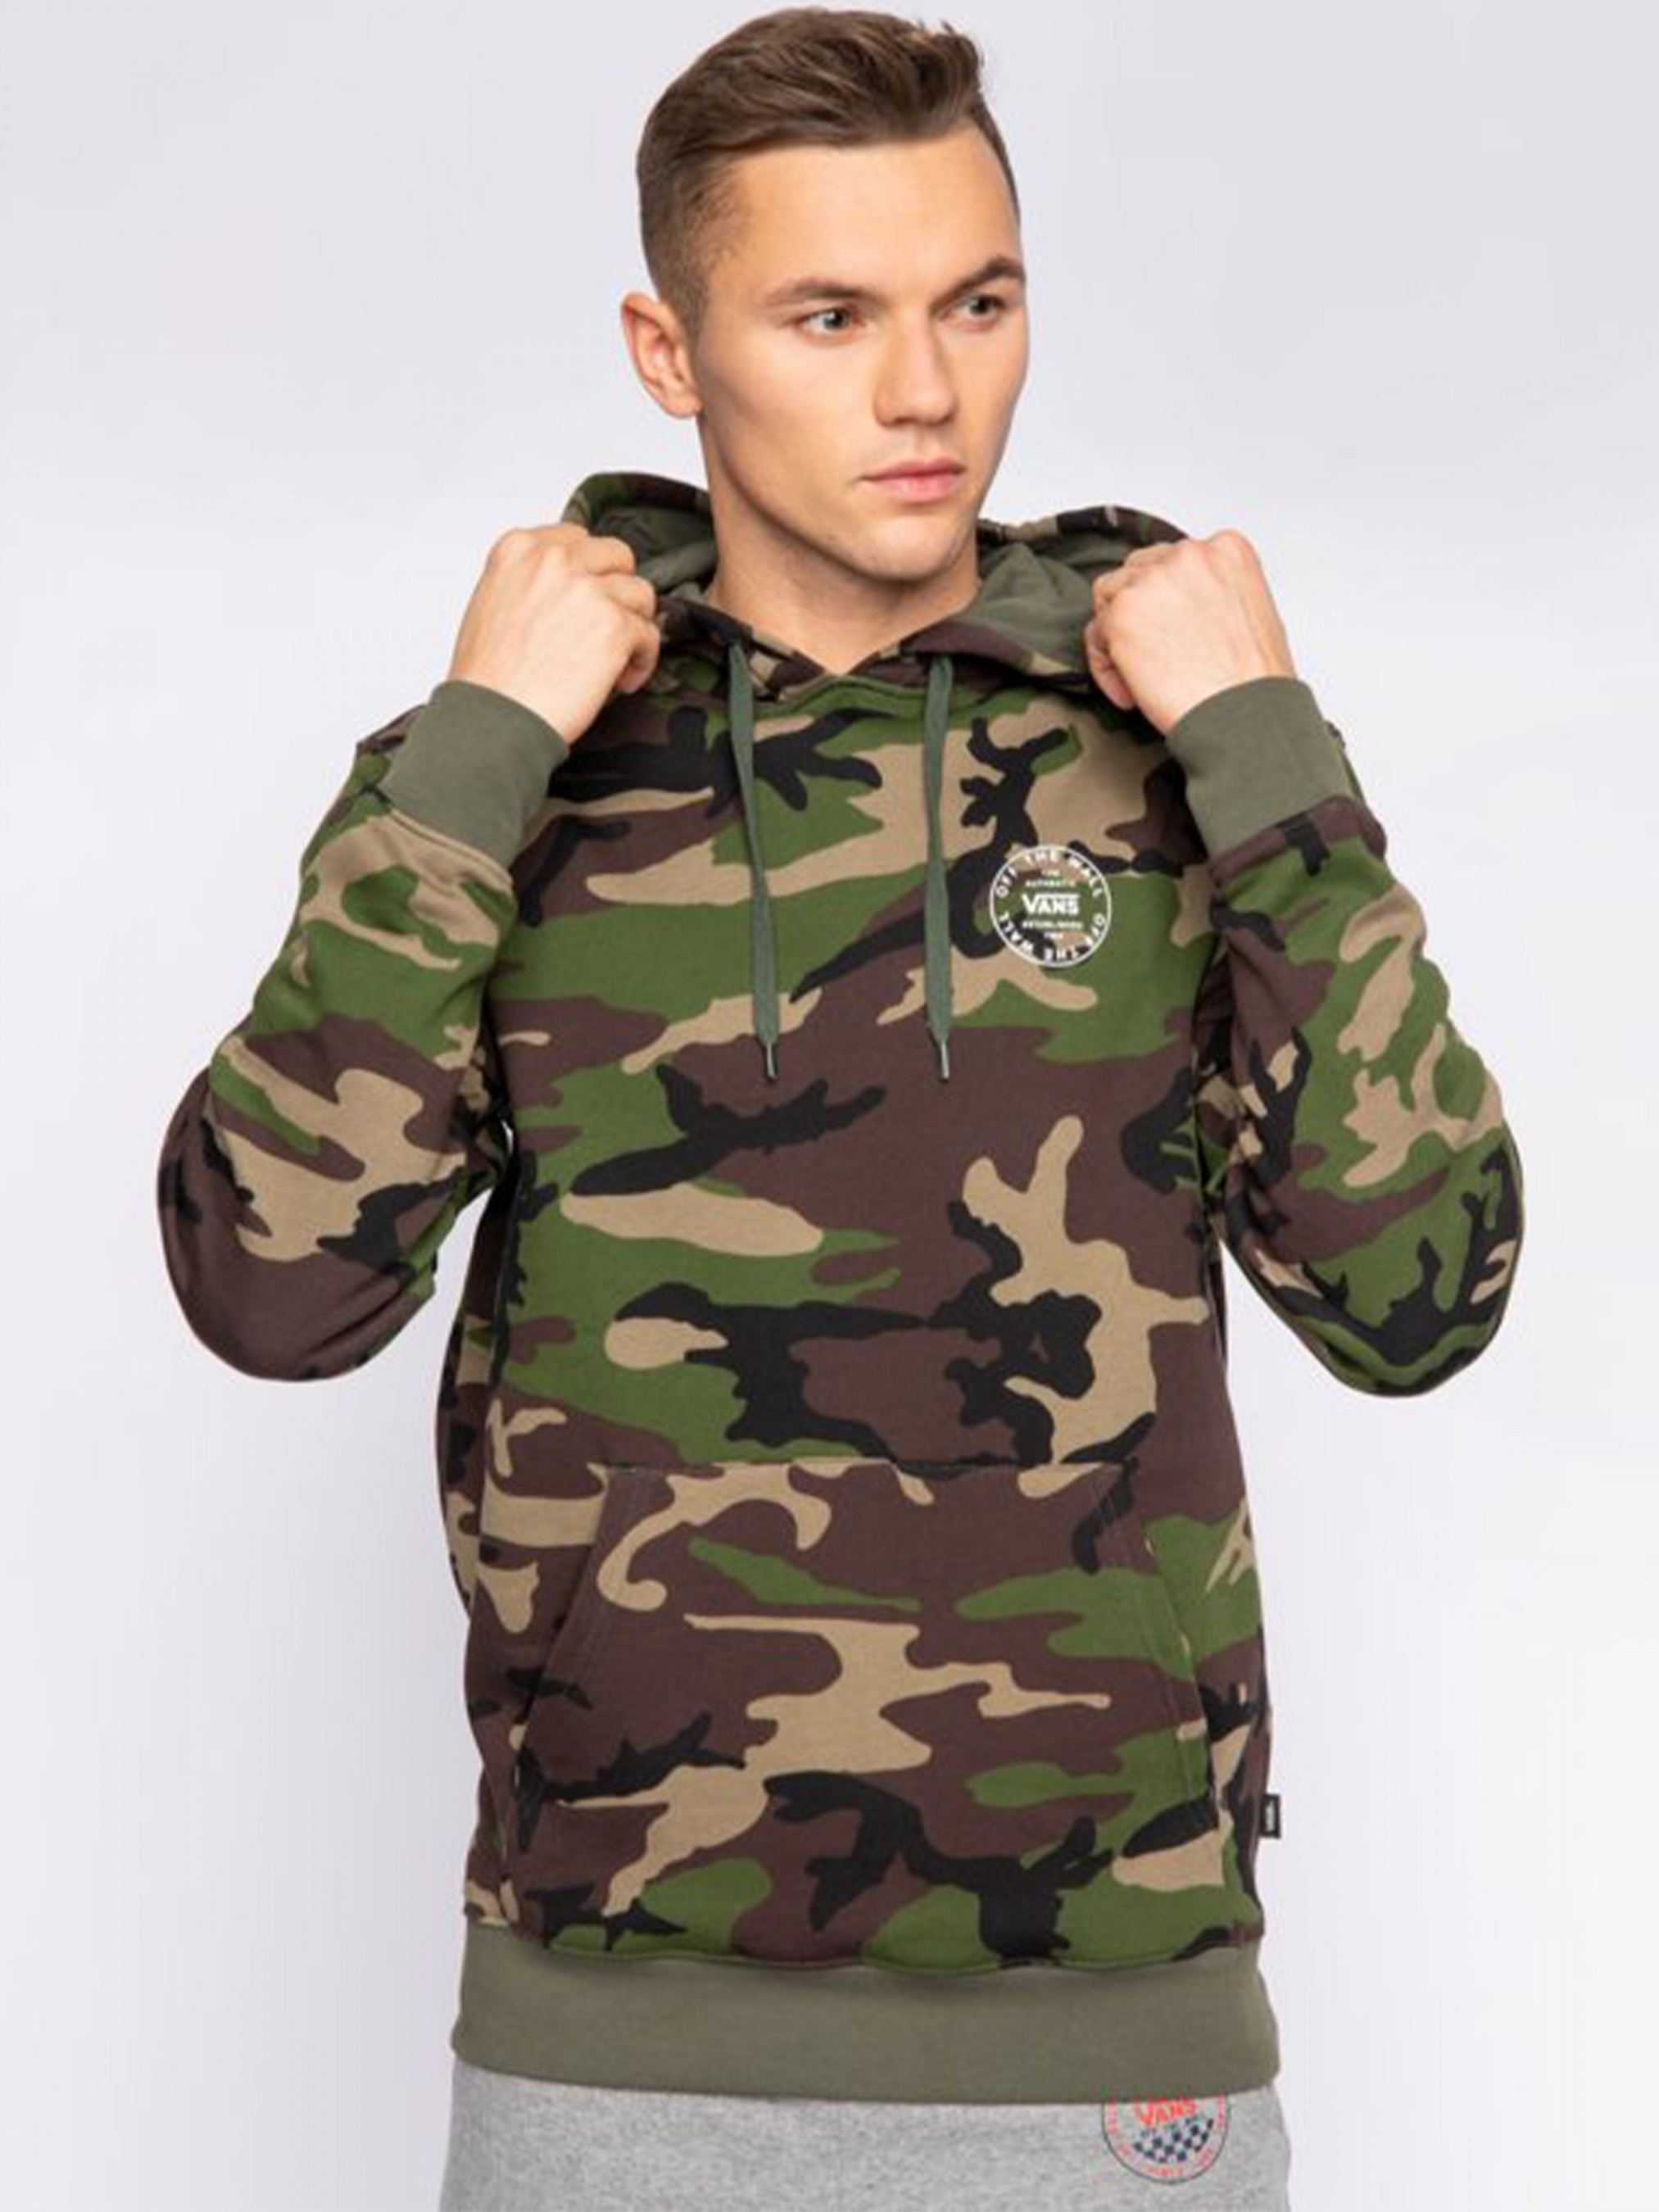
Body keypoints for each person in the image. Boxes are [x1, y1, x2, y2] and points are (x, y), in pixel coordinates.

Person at [155, 9, 1525, 2206]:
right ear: (669, 351)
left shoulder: (1176, 747)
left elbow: (1415, 1294)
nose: (924, 393)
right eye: (829, 316)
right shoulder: (505, 772)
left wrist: (1269, 751)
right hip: (611, 2039)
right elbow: (269, 1288)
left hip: (1116, 2039)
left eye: (977, 303)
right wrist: (478, 751)